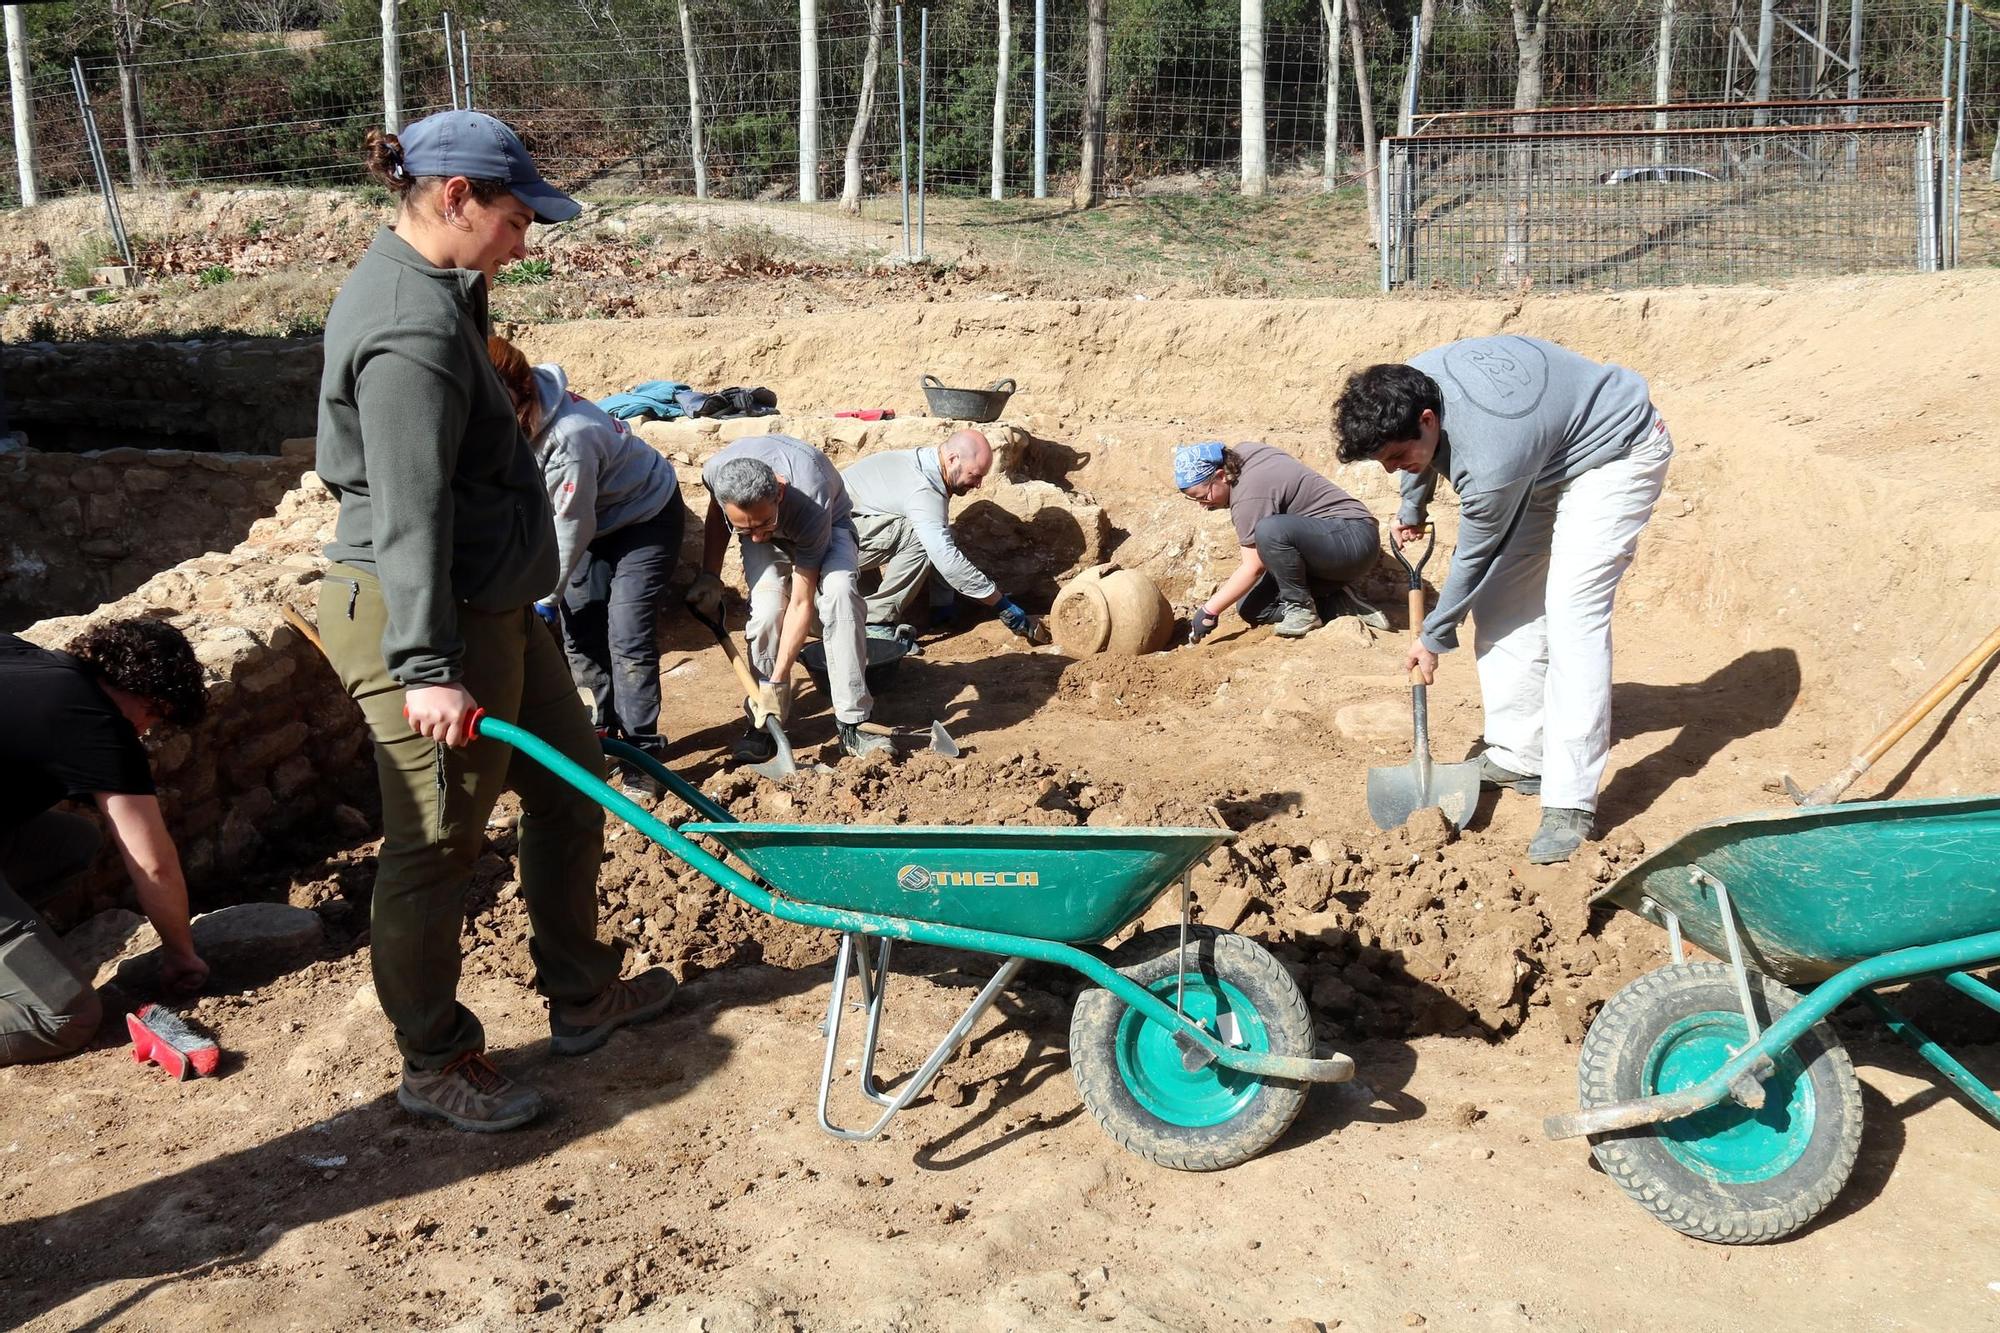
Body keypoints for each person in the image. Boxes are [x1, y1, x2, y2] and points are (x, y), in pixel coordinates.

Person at [315, 110, 676, 1134]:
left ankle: (579, 991)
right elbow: (408, 507)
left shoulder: (450, 286)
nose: (528, 240)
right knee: (436, 844)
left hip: (493, 603)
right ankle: (433, 1057)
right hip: (425, 616)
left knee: (569, 789)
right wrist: (426, 664)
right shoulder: (406, 330)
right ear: (456, 198)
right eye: (518, 218)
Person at [1333, 334, 1674, 865]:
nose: (1392, 467)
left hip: (1615, 452)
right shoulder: (1411, 382)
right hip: (1543, 457)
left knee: (1571, 614)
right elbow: (1424, 458)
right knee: (1503, 605)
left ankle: (1570, 804)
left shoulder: (1491, 458)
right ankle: (1520, 755)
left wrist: (1432, 637)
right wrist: (1410, 505)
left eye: (1397, 457)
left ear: (1427, 419)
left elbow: (1475, 556)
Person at [0, 618, 209, 1066]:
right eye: (155, 715)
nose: (146, 730)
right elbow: (153, 864)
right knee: (65, 1017)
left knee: (69, 843)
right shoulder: (99, 727)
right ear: (144, 696)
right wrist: (180, 954)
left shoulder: (26, 658)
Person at [488, 335, 687, 799]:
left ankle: (644, 753)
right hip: (591, 520)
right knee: (582, 632)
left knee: (627, 632)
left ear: (521, 391)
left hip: (644, 516)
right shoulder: (506, 419)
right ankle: (605, 731)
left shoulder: (568, 437)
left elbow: (570, 527)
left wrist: (543, 597)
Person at [686, 434, 892, 761]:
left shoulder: (812, 493)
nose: (755, 535)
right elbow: (718, 513)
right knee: (767, 611)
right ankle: (765, 722)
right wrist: (710, 573)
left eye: (763, 522)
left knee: (840, 593)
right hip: (770, 516)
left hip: (827, 524)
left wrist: (779, 681)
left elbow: (800, 602)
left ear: (779, 491)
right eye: (744, 528)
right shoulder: (716, 472)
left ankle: (853, 724)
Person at [841, 429, 1048, 643]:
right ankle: (876, 623)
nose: (978, 485)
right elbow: (943, 556)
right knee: (918, 535)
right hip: (826, 544)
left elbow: (940, 537)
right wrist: (1000, 603)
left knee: (934, 531)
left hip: (847, 532)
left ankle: (864, 614)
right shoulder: (924, 488)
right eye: (975, 475)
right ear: (953, 459)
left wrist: (943, 604)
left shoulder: (927, 466)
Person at [1175, 440, 1387, 643]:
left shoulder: (1249, 497)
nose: (1203, 505)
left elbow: (1253, 567)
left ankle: (1301, 609)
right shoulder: (1244, 454)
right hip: (1322, 544)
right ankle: (1337, 603)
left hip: (1354, 538)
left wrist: (1209, 611)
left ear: (1221, 476)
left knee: (1269, 530)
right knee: (1253, 608)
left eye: (1203, 497)